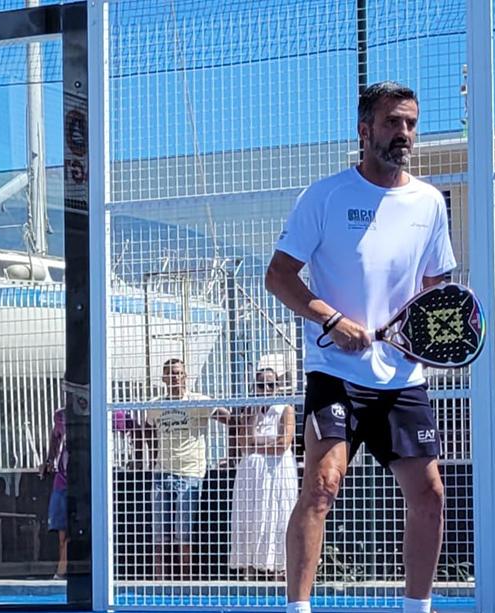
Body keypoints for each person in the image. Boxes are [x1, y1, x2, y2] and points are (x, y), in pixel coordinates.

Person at [265, 81, 455, 613]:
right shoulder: (323, 197)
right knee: (322, 486)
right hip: (335, 372)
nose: (404, 134)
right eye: (393, 122)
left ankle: (417, 607)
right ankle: (296, 610)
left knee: (430, 496)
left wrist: (421, 338)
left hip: (402, 379)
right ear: (364, 129)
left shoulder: (429, 203)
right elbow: (278, 276)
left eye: (411, 123)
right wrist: (331, 317)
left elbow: (436, 288)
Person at [143, 358, 229, 580]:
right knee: (159, 532)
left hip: (190, 473)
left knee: (184, 531)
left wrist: (232, 454)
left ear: (185, 376)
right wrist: (153, 457)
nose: (175, 377)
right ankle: (159, 579)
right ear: (163, 378)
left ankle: (184, 579)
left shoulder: (198, 401)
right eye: (170, 373)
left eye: (179, 373)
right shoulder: (156, 404)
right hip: (162, 473)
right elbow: (147, 430)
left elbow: (229, 419)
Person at [228, 368, 297, 579]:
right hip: (252, 472)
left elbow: (283, 443)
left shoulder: (286, 408)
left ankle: (279, 567)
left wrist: (256, 445)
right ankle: (249, 567)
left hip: (278, 470)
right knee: (249, 514)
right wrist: (253, 429)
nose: (266, 389)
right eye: (261, 385)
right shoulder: (250, 410)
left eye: (271, 385)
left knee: (278, 514)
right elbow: (242, 444)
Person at [39, 395, 69, 580]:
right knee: (61, 531)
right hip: (62, 480)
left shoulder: (98, 410)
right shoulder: (60, 415)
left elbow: (132, 427)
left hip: (84, 481)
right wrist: (49, 460)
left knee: (74, 531)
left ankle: (63, 570)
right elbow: (54, 438)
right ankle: (62, 570)